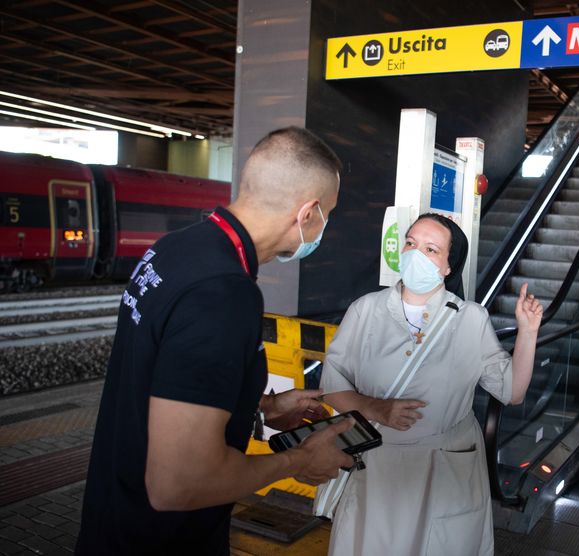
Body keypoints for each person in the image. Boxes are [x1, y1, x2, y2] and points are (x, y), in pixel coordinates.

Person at [75, 127, 355, 555]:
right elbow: (177, 484)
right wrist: (299, 460)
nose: (324, 229)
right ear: (308, 213)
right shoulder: (222, 292)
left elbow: (164, 378)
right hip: (161, 541)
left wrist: (261, 408)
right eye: (328, 215)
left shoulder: (174, 249)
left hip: (113, 521)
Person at [319, 213, 543, 556]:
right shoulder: (365, 310)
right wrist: (374, 408)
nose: (415, 254)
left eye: (431, 249)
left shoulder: (470, 319)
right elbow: (332, 384)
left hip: (443, 469)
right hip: (377, 467)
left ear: (448, 267)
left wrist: (528, 332)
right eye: (410, 243)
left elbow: (511, 392)